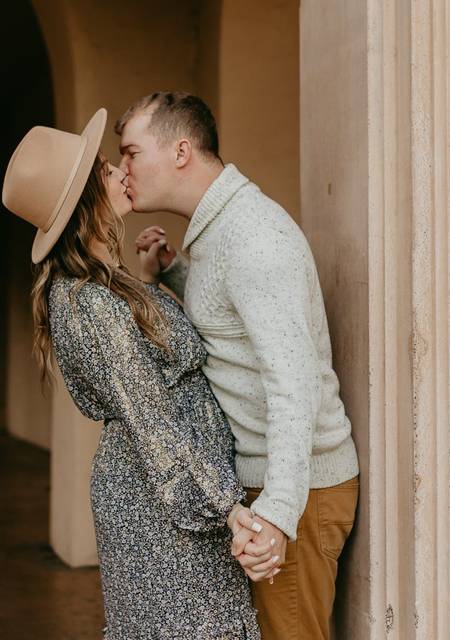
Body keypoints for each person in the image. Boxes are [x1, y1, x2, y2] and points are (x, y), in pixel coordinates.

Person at [2, 108, 262, 639]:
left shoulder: (103, 285)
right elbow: (151, 415)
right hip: (160, 495)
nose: (118, 171)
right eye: (101, 170)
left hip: (161, 483)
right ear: (83, 202)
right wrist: (226, 506)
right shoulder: (90, 301)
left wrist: (154, 281)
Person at [124, 92, 360, 640]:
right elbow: (239, 324)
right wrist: (174, 273)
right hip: (264, 486)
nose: (124, 167)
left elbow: (292, 382)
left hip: (295, 492)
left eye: (132, 151)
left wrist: (277, 513)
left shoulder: (254, 237)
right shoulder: (220, 229)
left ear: (180, 151)